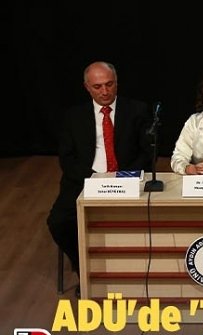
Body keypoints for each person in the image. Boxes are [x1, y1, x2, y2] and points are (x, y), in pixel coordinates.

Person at [47, 61, 152, 294]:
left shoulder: (137, 110)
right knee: (59, 222)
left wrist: (123, 177)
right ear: (87, 87)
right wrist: (94, 179)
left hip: (126, 179)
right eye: (97, 87)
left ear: (117, 83)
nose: (105, 91)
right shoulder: (73, 116)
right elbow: (67, 159)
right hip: (85, 181)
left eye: (109, 84)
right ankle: (84, 269)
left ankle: (138, 271)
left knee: (152, 216)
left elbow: (148, 153)